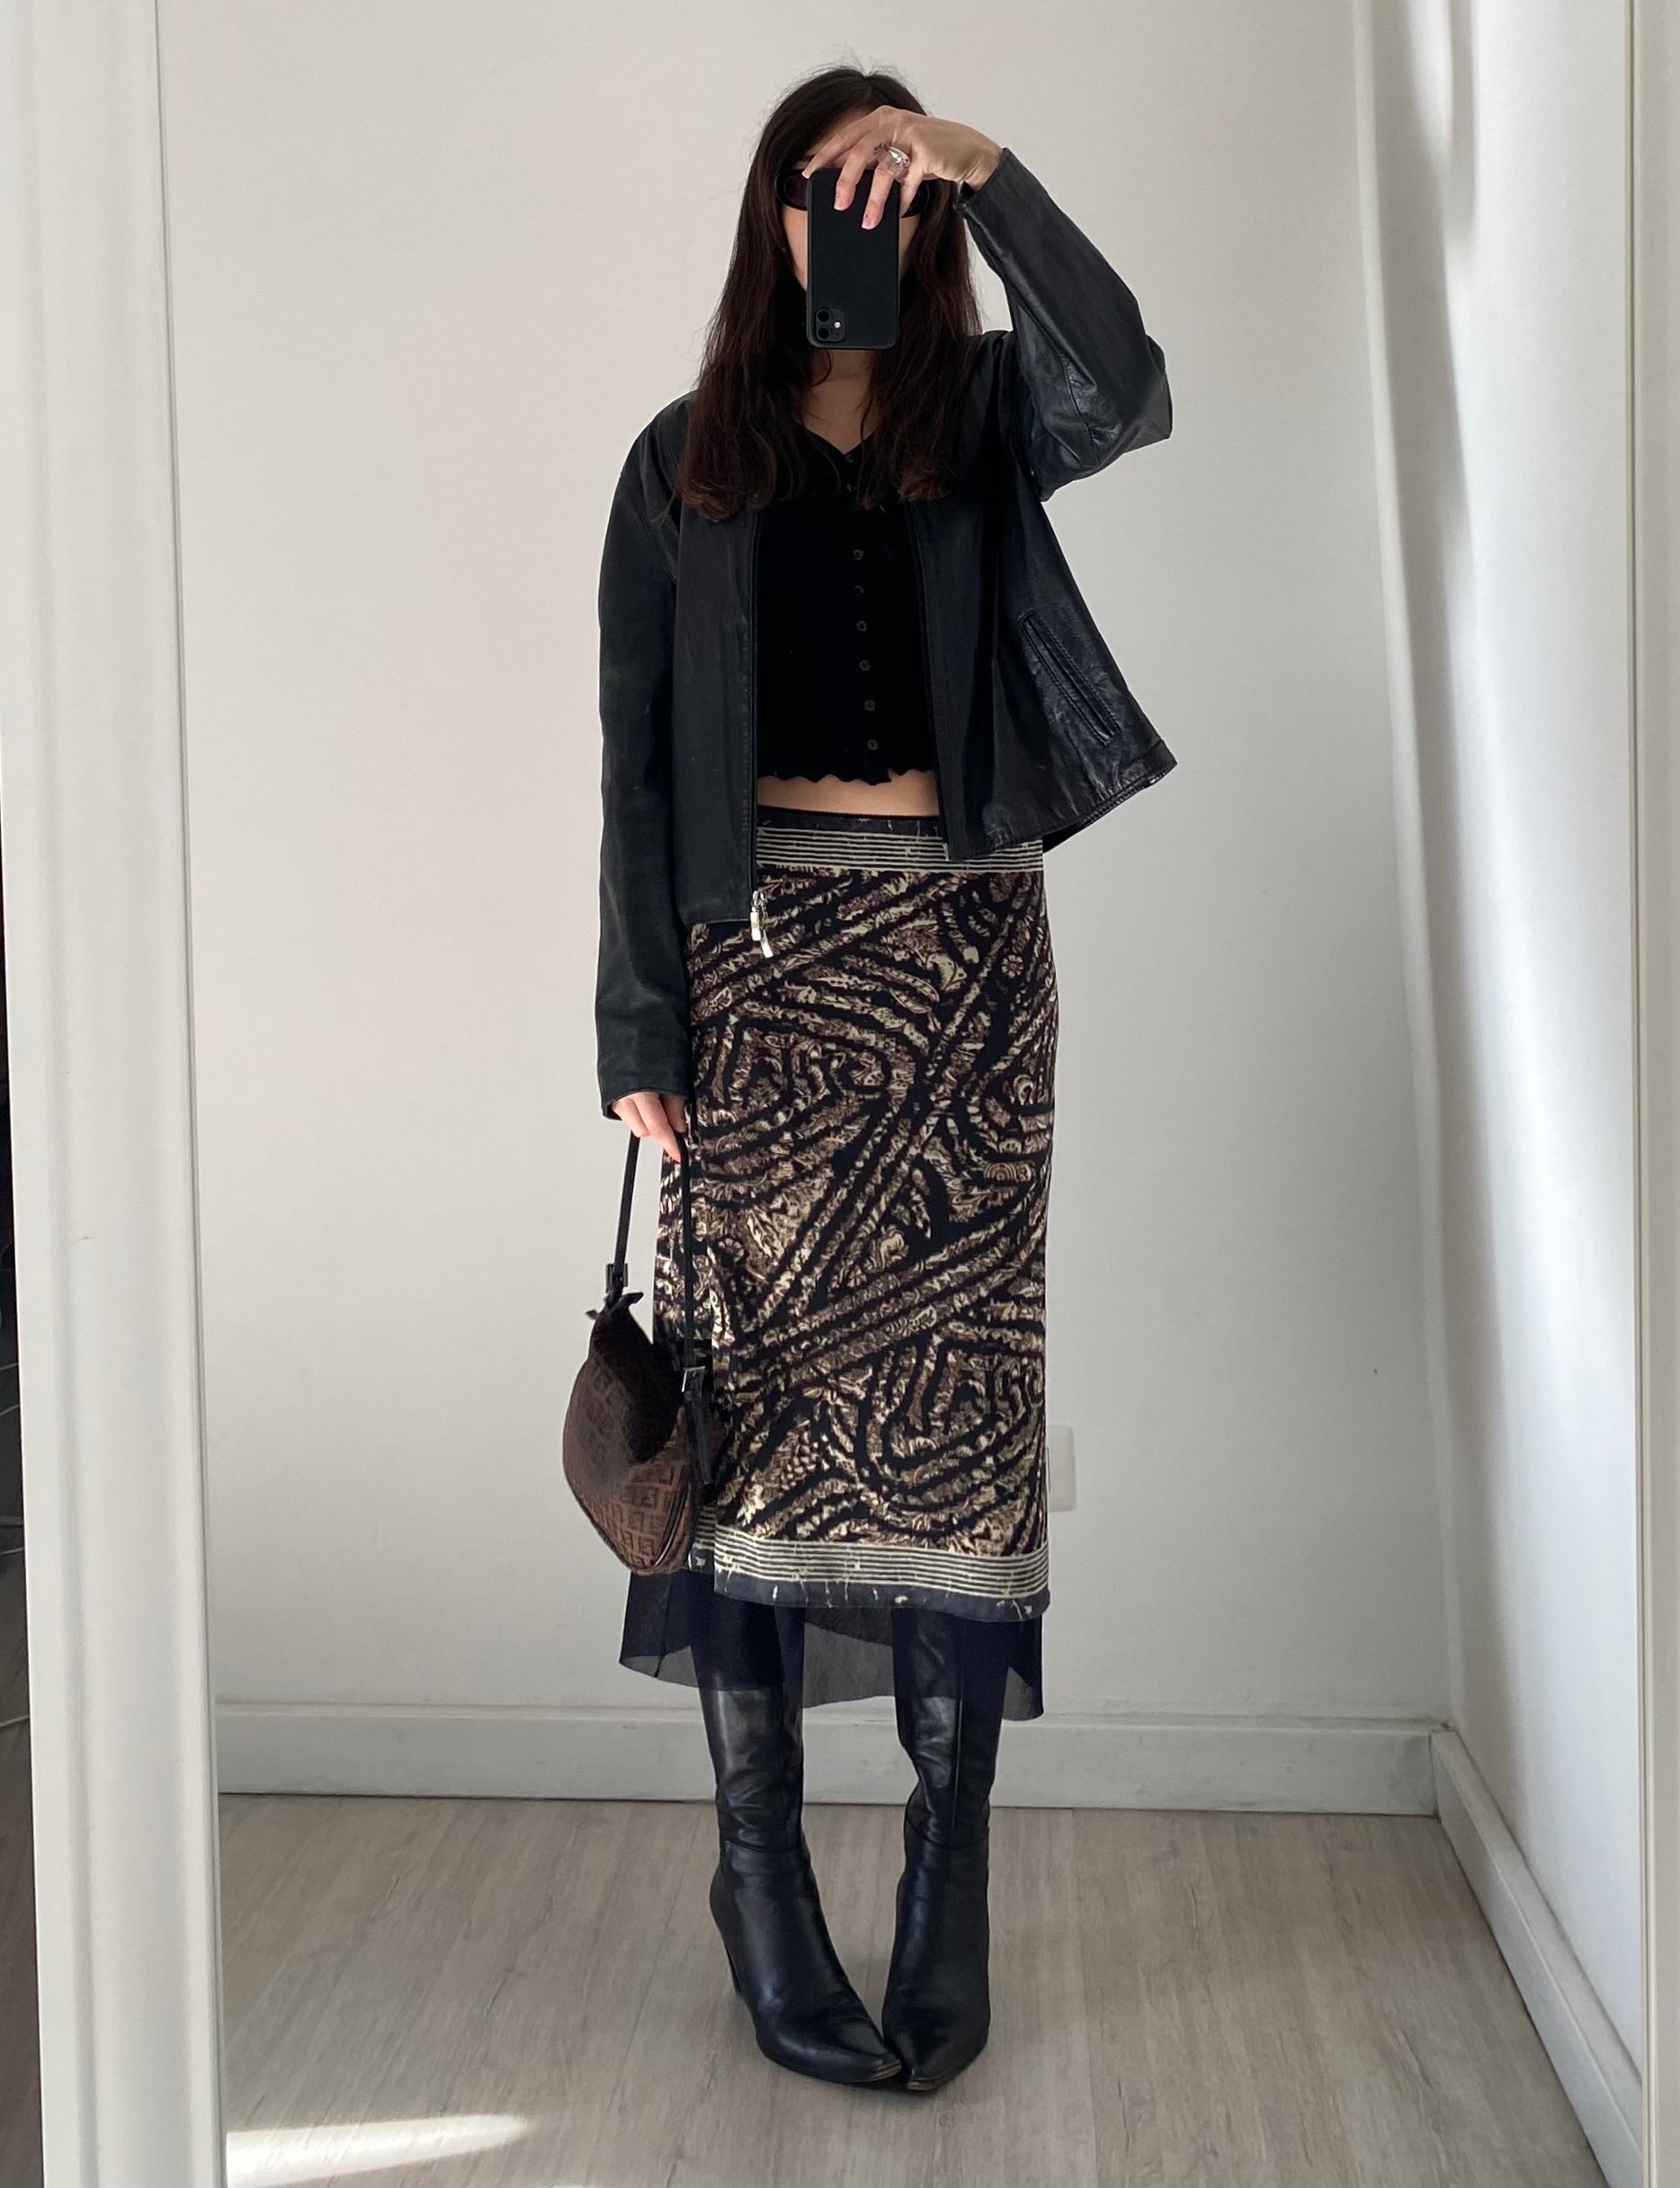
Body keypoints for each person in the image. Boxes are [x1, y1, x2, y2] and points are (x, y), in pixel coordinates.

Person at [594, 64, 1174, 2094]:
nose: (859, 218)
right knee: (750, 1435)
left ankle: (947, 1886)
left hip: (967, 975)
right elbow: (633, 760)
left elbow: (1129, 381)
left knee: (963, 1432)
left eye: (893, 189)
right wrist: (636, 1027)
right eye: (822, 187)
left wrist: (989, 167)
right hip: (755, 992)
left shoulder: (987, 418)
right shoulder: (681, 460)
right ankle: (759, 1881)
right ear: (768, 218)